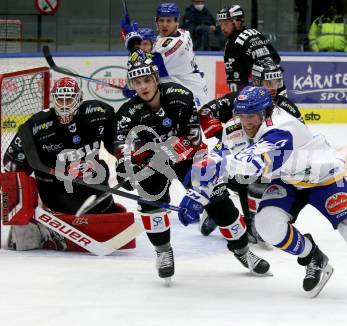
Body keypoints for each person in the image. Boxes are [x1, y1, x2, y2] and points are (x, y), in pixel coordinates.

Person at [182, 86, 347, 297]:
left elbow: (252, 164)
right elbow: (216, 156)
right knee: (267, 226)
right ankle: (314, 257)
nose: (247, 122)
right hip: (288, 180)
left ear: (265, 112)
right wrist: (197, 193)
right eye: (242, 116)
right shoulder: (236, 128)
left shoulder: (283, 128)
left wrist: (216, 167)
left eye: (252, 116)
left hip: (323, 179)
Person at [113, 56, 270, 283]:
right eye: (137, 82)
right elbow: (121, 145)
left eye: (147, 80)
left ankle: (243, 251)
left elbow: (194, 137)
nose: (143, 87)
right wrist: (126, 165)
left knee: (218, 198)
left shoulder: (180, 95)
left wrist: (165, 151)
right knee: (149, 198)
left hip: (189, 156)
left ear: (156, 79)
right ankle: (163, 252)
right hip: (154, 163)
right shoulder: (128, 112)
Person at [2, 77, 134, 252]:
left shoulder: (97, 113)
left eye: (69, 99)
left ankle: (60, 227)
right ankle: (44, 226)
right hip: (56, 189)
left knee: (105, 213)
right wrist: (21, 202)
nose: (64, 104)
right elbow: (11, 163)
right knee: (83, 215)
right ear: (53, 99)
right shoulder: (37, 125)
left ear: (78, 98)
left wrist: (127, 161)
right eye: (60, 99)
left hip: (93, 181)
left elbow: (117, 141)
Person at [198, 58, 303, 240]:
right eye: (268, 82)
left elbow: (300, 139)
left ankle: (259, 219)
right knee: (230, 174)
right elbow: (205, 112)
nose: (274, 87)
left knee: (270, 178)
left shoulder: (286, 107)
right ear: (256, 81)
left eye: (276, 81)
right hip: (237, 159)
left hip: (266, 160)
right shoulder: (240, 99)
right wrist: (223, 135)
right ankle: (220, 209)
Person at [152, 2, 210, 108]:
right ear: (156, 21)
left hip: (193, 97)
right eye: (161, 20)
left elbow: (149, 68)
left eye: (169, 20)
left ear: (176, 21)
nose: (164, 24)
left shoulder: (174, 46)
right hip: (186, 90)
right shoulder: (184, 33)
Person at [216, 4, 281, 92]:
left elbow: (235, 83)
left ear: (238, 22)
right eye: (221, 23)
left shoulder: (232, 45)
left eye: (226, 23)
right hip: (276, 84)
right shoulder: (255, 32)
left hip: (257, 91)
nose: (222, 28)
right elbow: (276, 58)